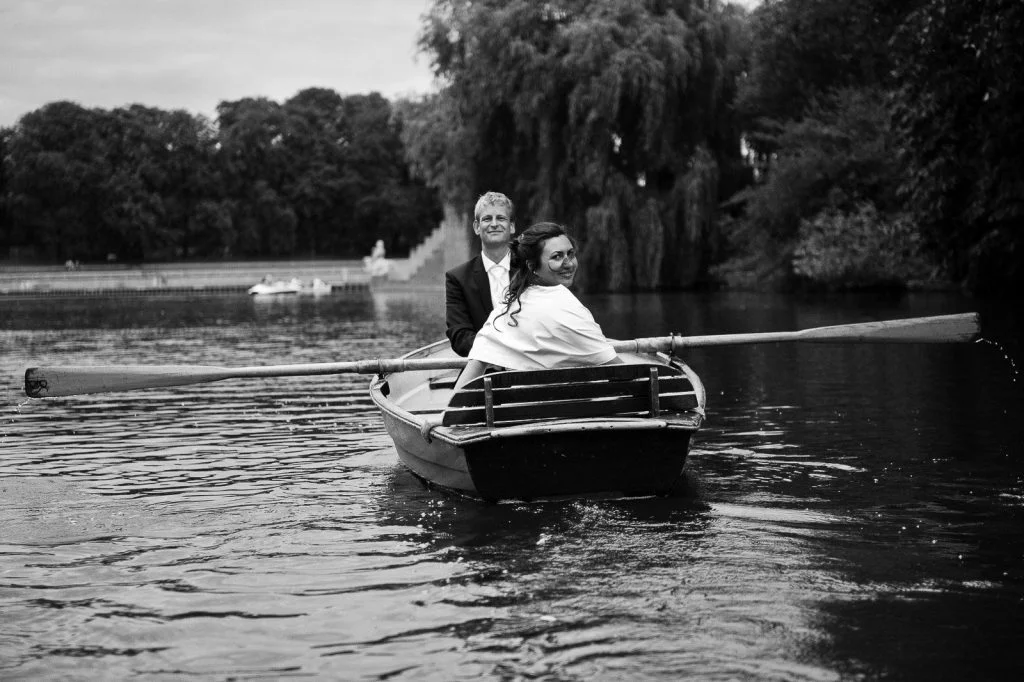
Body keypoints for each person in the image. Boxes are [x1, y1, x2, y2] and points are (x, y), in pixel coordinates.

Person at [422, 222, 620, 440]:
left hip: (520, 427)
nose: (568, 263)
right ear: (533, 266)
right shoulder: (571, 308)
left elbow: (477, 362)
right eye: (556, 257)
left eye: (570, 254)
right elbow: (621, 374)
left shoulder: (506, 309)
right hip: (578, 425)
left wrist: (447, 415)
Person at [445, 192, 516, 356]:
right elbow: (460, 337)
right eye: (487, 219)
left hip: (530, 364)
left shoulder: (530, 269)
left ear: (512, 226)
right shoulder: (457, 278)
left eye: (501, 218)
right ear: (477, 227)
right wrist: (500, 353)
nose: (494, 224)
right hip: (483, 368)